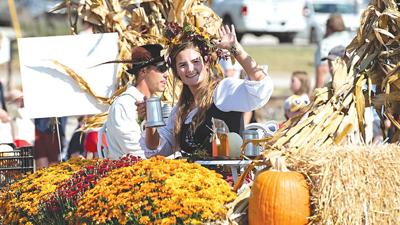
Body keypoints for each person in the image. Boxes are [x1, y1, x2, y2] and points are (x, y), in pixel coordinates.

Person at [140, 24, 273, 159]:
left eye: (195, 61)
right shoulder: (180, 110)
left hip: (228, 178)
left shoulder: (223, 92)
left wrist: (235, 49)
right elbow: (156, 149)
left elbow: (261, 86)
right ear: (177, 72)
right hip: (195, 178)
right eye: (183, 65)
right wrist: (150, 120)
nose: (190, 69)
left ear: (207, 64)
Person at [101, 44, 169, 159]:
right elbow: (135, 152)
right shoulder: (124, 104)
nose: (166, 74)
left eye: (167, 69)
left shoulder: (160, 105)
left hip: (159, 168)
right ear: (143, 71)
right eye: (161, 69)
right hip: (130, 173)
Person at [315, 14, 353, 88]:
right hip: (349, 86)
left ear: (329, 26)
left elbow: (322, 70)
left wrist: (317, 94)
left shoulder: (325, 43)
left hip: (331, 87)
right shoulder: (352, 40)